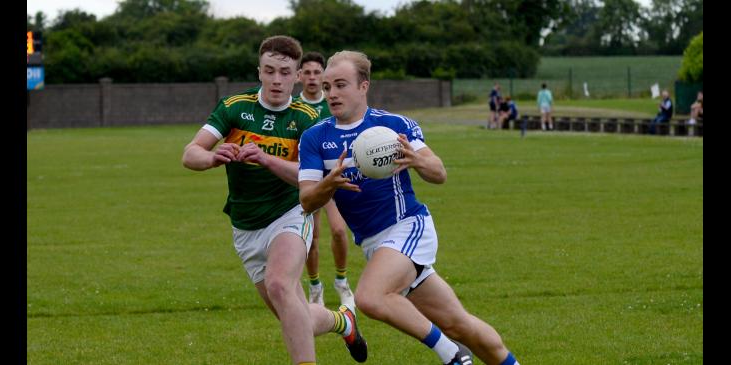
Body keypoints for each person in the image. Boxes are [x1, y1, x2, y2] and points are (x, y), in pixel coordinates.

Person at [298, 50, 521, 365]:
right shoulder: (315, 138)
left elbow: (438, 172)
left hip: (409, 226)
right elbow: (307, 200)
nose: (332, 93)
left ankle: (452, 355)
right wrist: (328, 184)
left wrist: (418, 160)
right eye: (327, 86)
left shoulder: (392, 127)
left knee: (369, 298)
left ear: (363, 86)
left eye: (341, 85)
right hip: (377, 246)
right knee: (459, 324)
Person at [181, 36, 367, 365]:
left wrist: (267, 159)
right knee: (295, 318)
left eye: (284, 72)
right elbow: (190, 153)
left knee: (280, 285)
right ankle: (343, 321)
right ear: (259, 72)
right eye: (270, 71)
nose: (277, 80)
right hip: (245, 226)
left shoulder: (308, 118)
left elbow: (314, 178)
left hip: (289, 214)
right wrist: (212, 158)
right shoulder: (234, 107)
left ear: (296, 76)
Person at [296, 51, 356, 310]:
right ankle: (315, 287)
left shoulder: (332, 103)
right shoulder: (293, 107)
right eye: (306, 72)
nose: (312, 77)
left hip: (334, 178)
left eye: (316, 72)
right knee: (312, 238)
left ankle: (342, 282)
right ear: (299, 76)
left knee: (340, 231)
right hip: (309, 180)